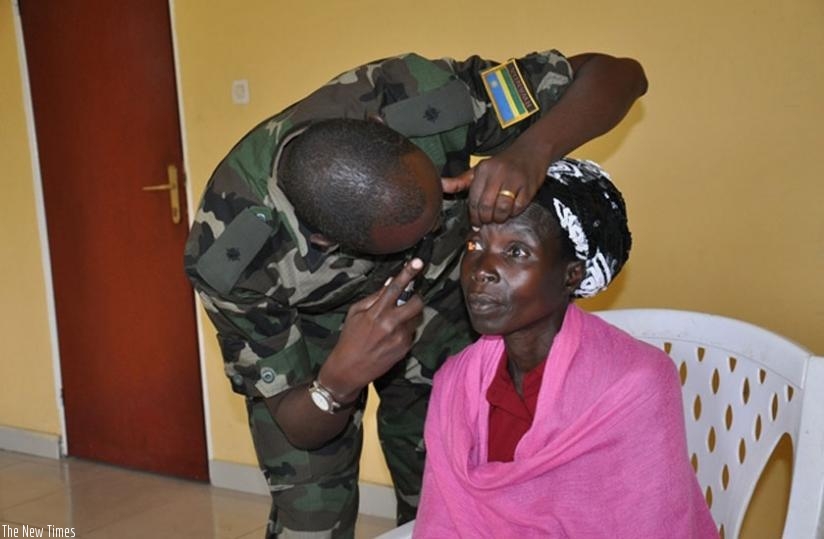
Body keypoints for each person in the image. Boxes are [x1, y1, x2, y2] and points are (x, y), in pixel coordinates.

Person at [184, 50, 647, 538]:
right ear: (329, 244)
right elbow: (297, 426)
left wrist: (530, 151)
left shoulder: (417, 95)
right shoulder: (232, 259)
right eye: (413, 234)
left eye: (444, 201)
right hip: (309, 345)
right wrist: (338, 381)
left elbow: (621, 75)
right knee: (311, 518)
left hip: (436, 302)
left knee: (447, 488)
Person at [416, 159, 718, 538]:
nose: (481, 268)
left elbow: (654, 524)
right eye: (476, 243)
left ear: (570, 275)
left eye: (516, 252)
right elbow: (444, 521)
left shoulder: (635, 384)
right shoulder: (458, 383)